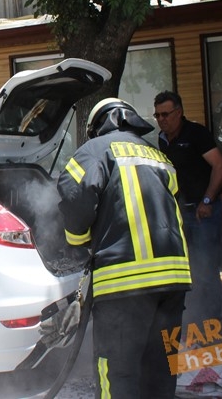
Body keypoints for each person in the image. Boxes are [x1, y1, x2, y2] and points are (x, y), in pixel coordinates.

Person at [57, 98, 191, 398]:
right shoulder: (159, 156)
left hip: (124, 284)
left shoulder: (94, 150)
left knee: (117, 372)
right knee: (161, 368)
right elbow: (174, 211)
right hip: (173, 281)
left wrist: (77, 244)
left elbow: (72, 194)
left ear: (97, 126)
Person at [153, 90, 222, 326]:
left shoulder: (196, 133)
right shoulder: (162, 139)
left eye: (166, 114)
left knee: (206, 269)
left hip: (204, 212)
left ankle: (212, 324)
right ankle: (193, 319)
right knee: (186, 269)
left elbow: (220, 166)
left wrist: (207, 201)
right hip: (179, 214)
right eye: (157, 115)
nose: (162, 119)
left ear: (179, 112)